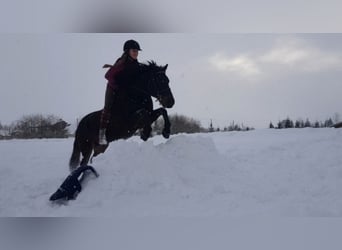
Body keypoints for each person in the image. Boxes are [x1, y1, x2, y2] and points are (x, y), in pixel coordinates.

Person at [99, 39, 142, 145]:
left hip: (126, 90)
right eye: (134, 50)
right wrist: (117, 85)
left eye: (137, 51)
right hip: (113, 88)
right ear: (127, 51)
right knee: (107, 108)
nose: (136, 53)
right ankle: (101, 135)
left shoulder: (137, 65)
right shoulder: (121, 63)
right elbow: (107, 76)